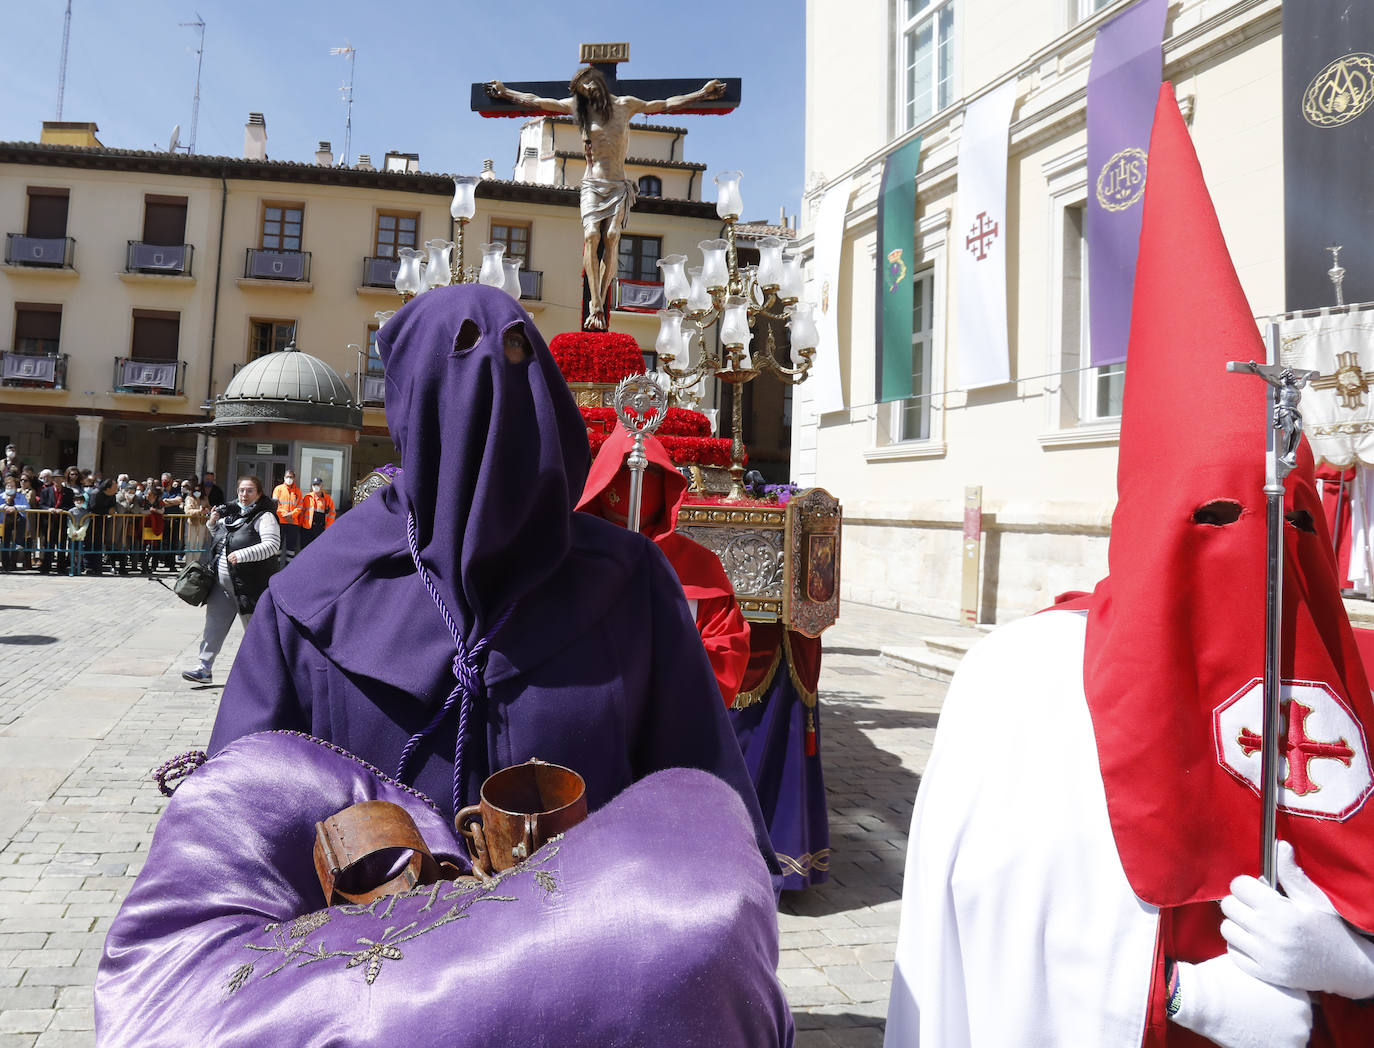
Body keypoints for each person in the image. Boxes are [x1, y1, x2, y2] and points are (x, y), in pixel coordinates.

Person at [884, 86, 1374, 1048]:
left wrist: (1354, 972)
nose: (1258, 556)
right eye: (1216, 517)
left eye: (1292, 523)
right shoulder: (1019, 684)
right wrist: (1178, 1002)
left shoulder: (1355, 678)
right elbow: (983, 937)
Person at [207, 284, 780, 885]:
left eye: (514, 350)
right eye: (462, 352)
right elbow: (235, 844)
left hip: (582, 969)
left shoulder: (631, 584)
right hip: (378, 969)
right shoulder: (311, 602)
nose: (492, 383)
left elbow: (707, 820)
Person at [484, 69, 725, 332]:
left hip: (617, 185)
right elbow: (539, 101)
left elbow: (665, 103)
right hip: (592, 185)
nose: (587, 91)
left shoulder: (626, 105)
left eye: (587, 84)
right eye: (582, 90)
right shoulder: (580, 109)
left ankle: (600, 298)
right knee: (591, 237)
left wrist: (702, 94)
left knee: (611, 236)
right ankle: (596, 305)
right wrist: (507, 93)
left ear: (597, 79)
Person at [576, 427, 750, 704]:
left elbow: (725, 656)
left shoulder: (699, 566)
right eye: (622, 468)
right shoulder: (571, 559)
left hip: (671, 720)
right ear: (602, 479)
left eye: (652, 471)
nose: (636, 477)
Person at [182, 476, 280, 686]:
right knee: (213, 626)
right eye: (241, 491)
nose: (244, 495)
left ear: (259, 493)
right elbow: (223, 539)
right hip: (221, 583)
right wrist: (212, 524)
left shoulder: (265, 517)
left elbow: (272, 546)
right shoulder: (232, 512)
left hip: (249, 586)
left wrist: (243, 555)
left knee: (256, 633)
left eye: (250, 491)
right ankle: (204, 668)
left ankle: (266, 677)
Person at [271, 470, 303, 561]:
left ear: (294, 478)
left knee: (291, 547)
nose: (289, 479)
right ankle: (276, 568)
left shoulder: (298, 491)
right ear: (284, 478)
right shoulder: (278, 489)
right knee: (278, 545)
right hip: (280, 521)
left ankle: (288, 568)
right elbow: (275, 504)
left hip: (293, 523)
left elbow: (300, 506)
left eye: (291, 477)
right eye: (287, 477)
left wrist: (291, 515)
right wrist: (285, 515)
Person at [298, 477, 334, 549]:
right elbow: (302, 512)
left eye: (318, 485)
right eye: (314, 485)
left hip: (320, 529)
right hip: (307, 528)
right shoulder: (307, 497)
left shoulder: (327, 499)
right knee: (305, 549)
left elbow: (331, 514)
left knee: (317, 549)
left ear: (322, 486)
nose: (316, 487)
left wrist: (327, 528)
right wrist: (300, 525)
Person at [180, 485, 209, 568]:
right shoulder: (189, 498)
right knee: (190, 545)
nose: (197, 492)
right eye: (195, 490)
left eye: (199, 490)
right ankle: (188, 566)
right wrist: (199, 511)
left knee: (199, 546)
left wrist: (207, 510)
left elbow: (208, 507)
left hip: (202, 524)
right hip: (192, 524)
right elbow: (188, 511)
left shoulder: (205, 498)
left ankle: (196, 566)